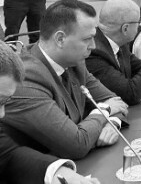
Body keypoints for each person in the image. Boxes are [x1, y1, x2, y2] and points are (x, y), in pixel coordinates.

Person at [2, 0, 128, 160]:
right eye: (87, 39)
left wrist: (114, 123)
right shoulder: (25, 78)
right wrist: (104, 110)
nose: (93, 46)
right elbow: (76, 145)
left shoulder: (76, 64)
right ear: (60, 39)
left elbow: (117, 102)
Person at [0, 42, 101, 184]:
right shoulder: (33, 75)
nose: (2, 114)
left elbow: (10, 156)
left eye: (5, 102)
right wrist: (102, 113)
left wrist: (60, 173)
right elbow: (74, 144)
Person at [85, 0, 141, 106]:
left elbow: (139, 66)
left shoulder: (120, 43)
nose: (140, 25)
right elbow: (129, 94)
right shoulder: (94, 53)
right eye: (139, 22)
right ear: (125, 29)